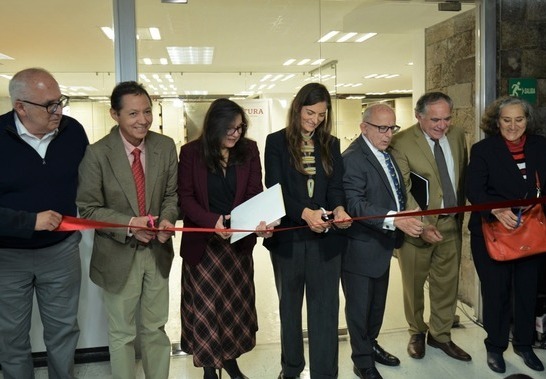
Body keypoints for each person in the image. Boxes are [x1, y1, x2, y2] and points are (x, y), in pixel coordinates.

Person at [76, 81, 178, 379]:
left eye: (147, 111)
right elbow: (89, 209)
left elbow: (172, 196)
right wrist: (130, 225)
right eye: (133, 114)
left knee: (155, 329)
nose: (143, 120)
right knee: (122, 333)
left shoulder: (165, 146)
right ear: (115, 115)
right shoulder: (97, 154)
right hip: (118, 255)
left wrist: (167, 220)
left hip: (157, 252)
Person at [0, 68, 88, 379]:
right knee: (10, 338)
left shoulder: (73, 132)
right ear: (20, 106)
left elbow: (89, 187)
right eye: (49, 105)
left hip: (61, 252)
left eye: (60, 101)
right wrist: (28, 222)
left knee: (63, 334)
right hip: (8, 256)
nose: (58, 111)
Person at [178, 98, 271, 379]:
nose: (236, 134)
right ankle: (209, 368)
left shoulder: (249, 150)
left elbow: (255, 191)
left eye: (240, 128)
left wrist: (259, 222)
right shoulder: (191, 153)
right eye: (230, 129)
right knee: (206, 312)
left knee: (233, 311)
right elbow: (186, 197)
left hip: (237, 245)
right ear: (214, 126)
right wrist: (211, 221)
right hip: (204, 247)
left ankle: (230, 361)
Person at [264, 82, 352, 379]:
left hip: (325, 241)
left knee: (325, 311)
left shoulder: (332, 143)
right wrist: (303, 212)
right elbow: (273, 188)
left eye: (322, 114)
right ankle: (291, 369)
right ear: (297, 108)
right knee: (289, 309)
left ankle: (325, 373)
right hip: (289, 239)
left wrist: (339, 209)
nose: (315, 119)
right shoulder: (276, 142)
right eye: (310, 112)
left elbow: (337, 187)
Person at [342, 103, 424, 379]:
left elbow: (391, 192)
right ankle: (362, 361)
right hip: (361, 248)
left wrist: (404, 212)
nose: (388, 134)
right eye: (382, 128)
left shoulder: (385, 155)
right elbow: (355, 203)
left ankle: (371, 345)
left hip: (383, 244)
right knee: (359, 308)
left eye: (392, 127)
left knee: (376, 307)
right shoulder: (353, 158)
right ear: (364, 127)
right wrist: (394, 218)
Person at [466, 96, 546, 373]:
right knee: (496, 293)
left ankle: (524, 345)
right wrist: (496, 210)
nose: (513, 126)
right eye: (506, 119)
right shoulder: (483, 150)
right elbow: (473, 190)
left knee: (526, 293)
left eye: (519, 119)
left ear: (528, 120)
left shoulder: (541, 146)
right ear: (496, 121)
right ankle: (495, 347)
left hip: (530, 234)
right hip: (493, 234)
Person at [390, 92, 470, 362]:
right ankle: (416, 331)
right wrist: (423, 224)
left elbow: (460, 177)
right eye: (435, 119)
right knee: (413, 284)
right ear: (419, 116)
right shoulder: (401, 142)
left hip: (450, 225)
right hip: (416, 228)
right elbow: (402, 189)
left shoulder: (458, 136)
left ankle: (440, 335)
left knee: (446, 284)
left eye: (447, 118)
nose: (442, 125)